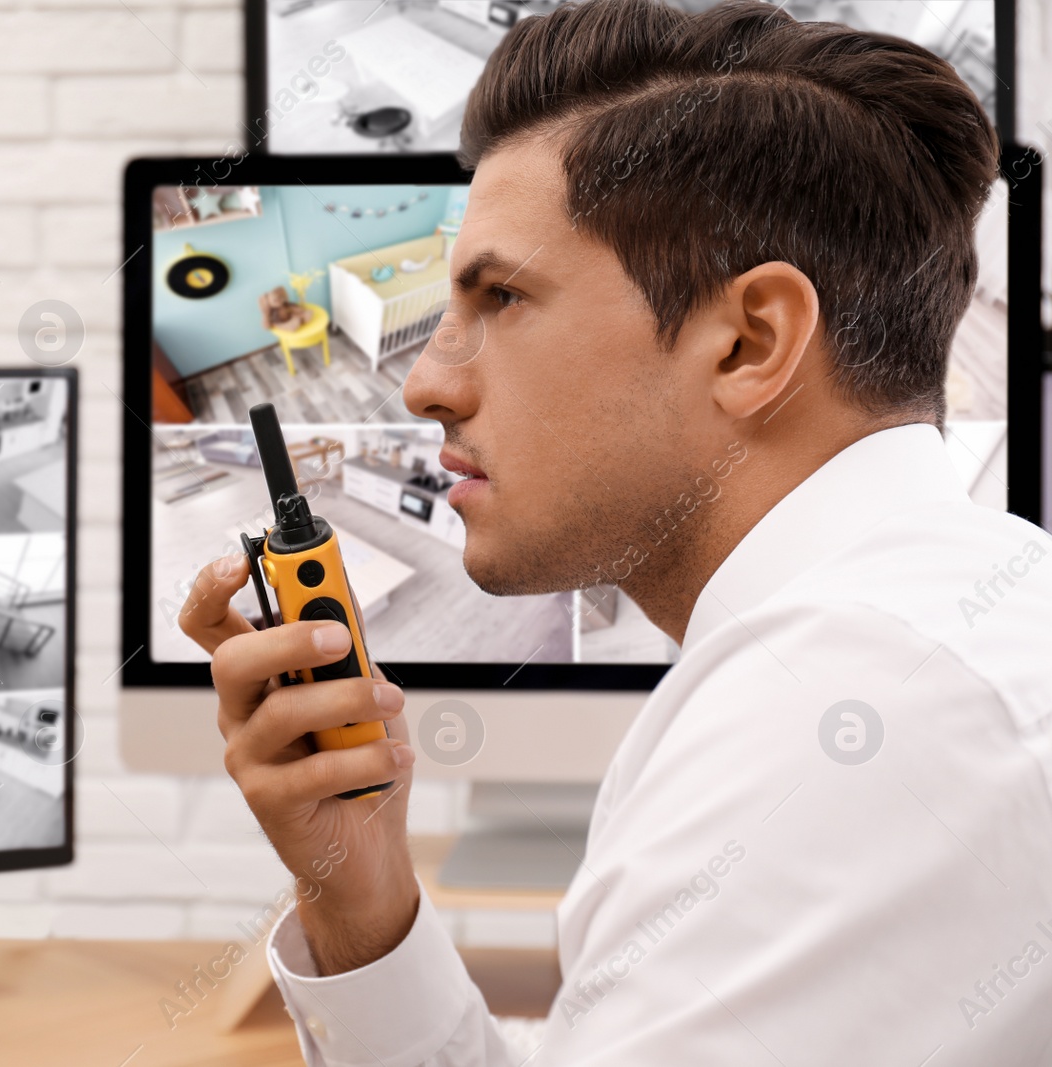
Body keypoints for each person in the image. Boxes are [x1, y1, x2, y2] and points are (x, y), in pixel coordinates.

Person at [179, 1, 1052, 1063]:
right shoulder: (932, 625)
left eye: (501, 294)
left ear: (747, 342)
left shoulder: (845, 709)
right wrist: (360, 900)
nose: (423, 383)